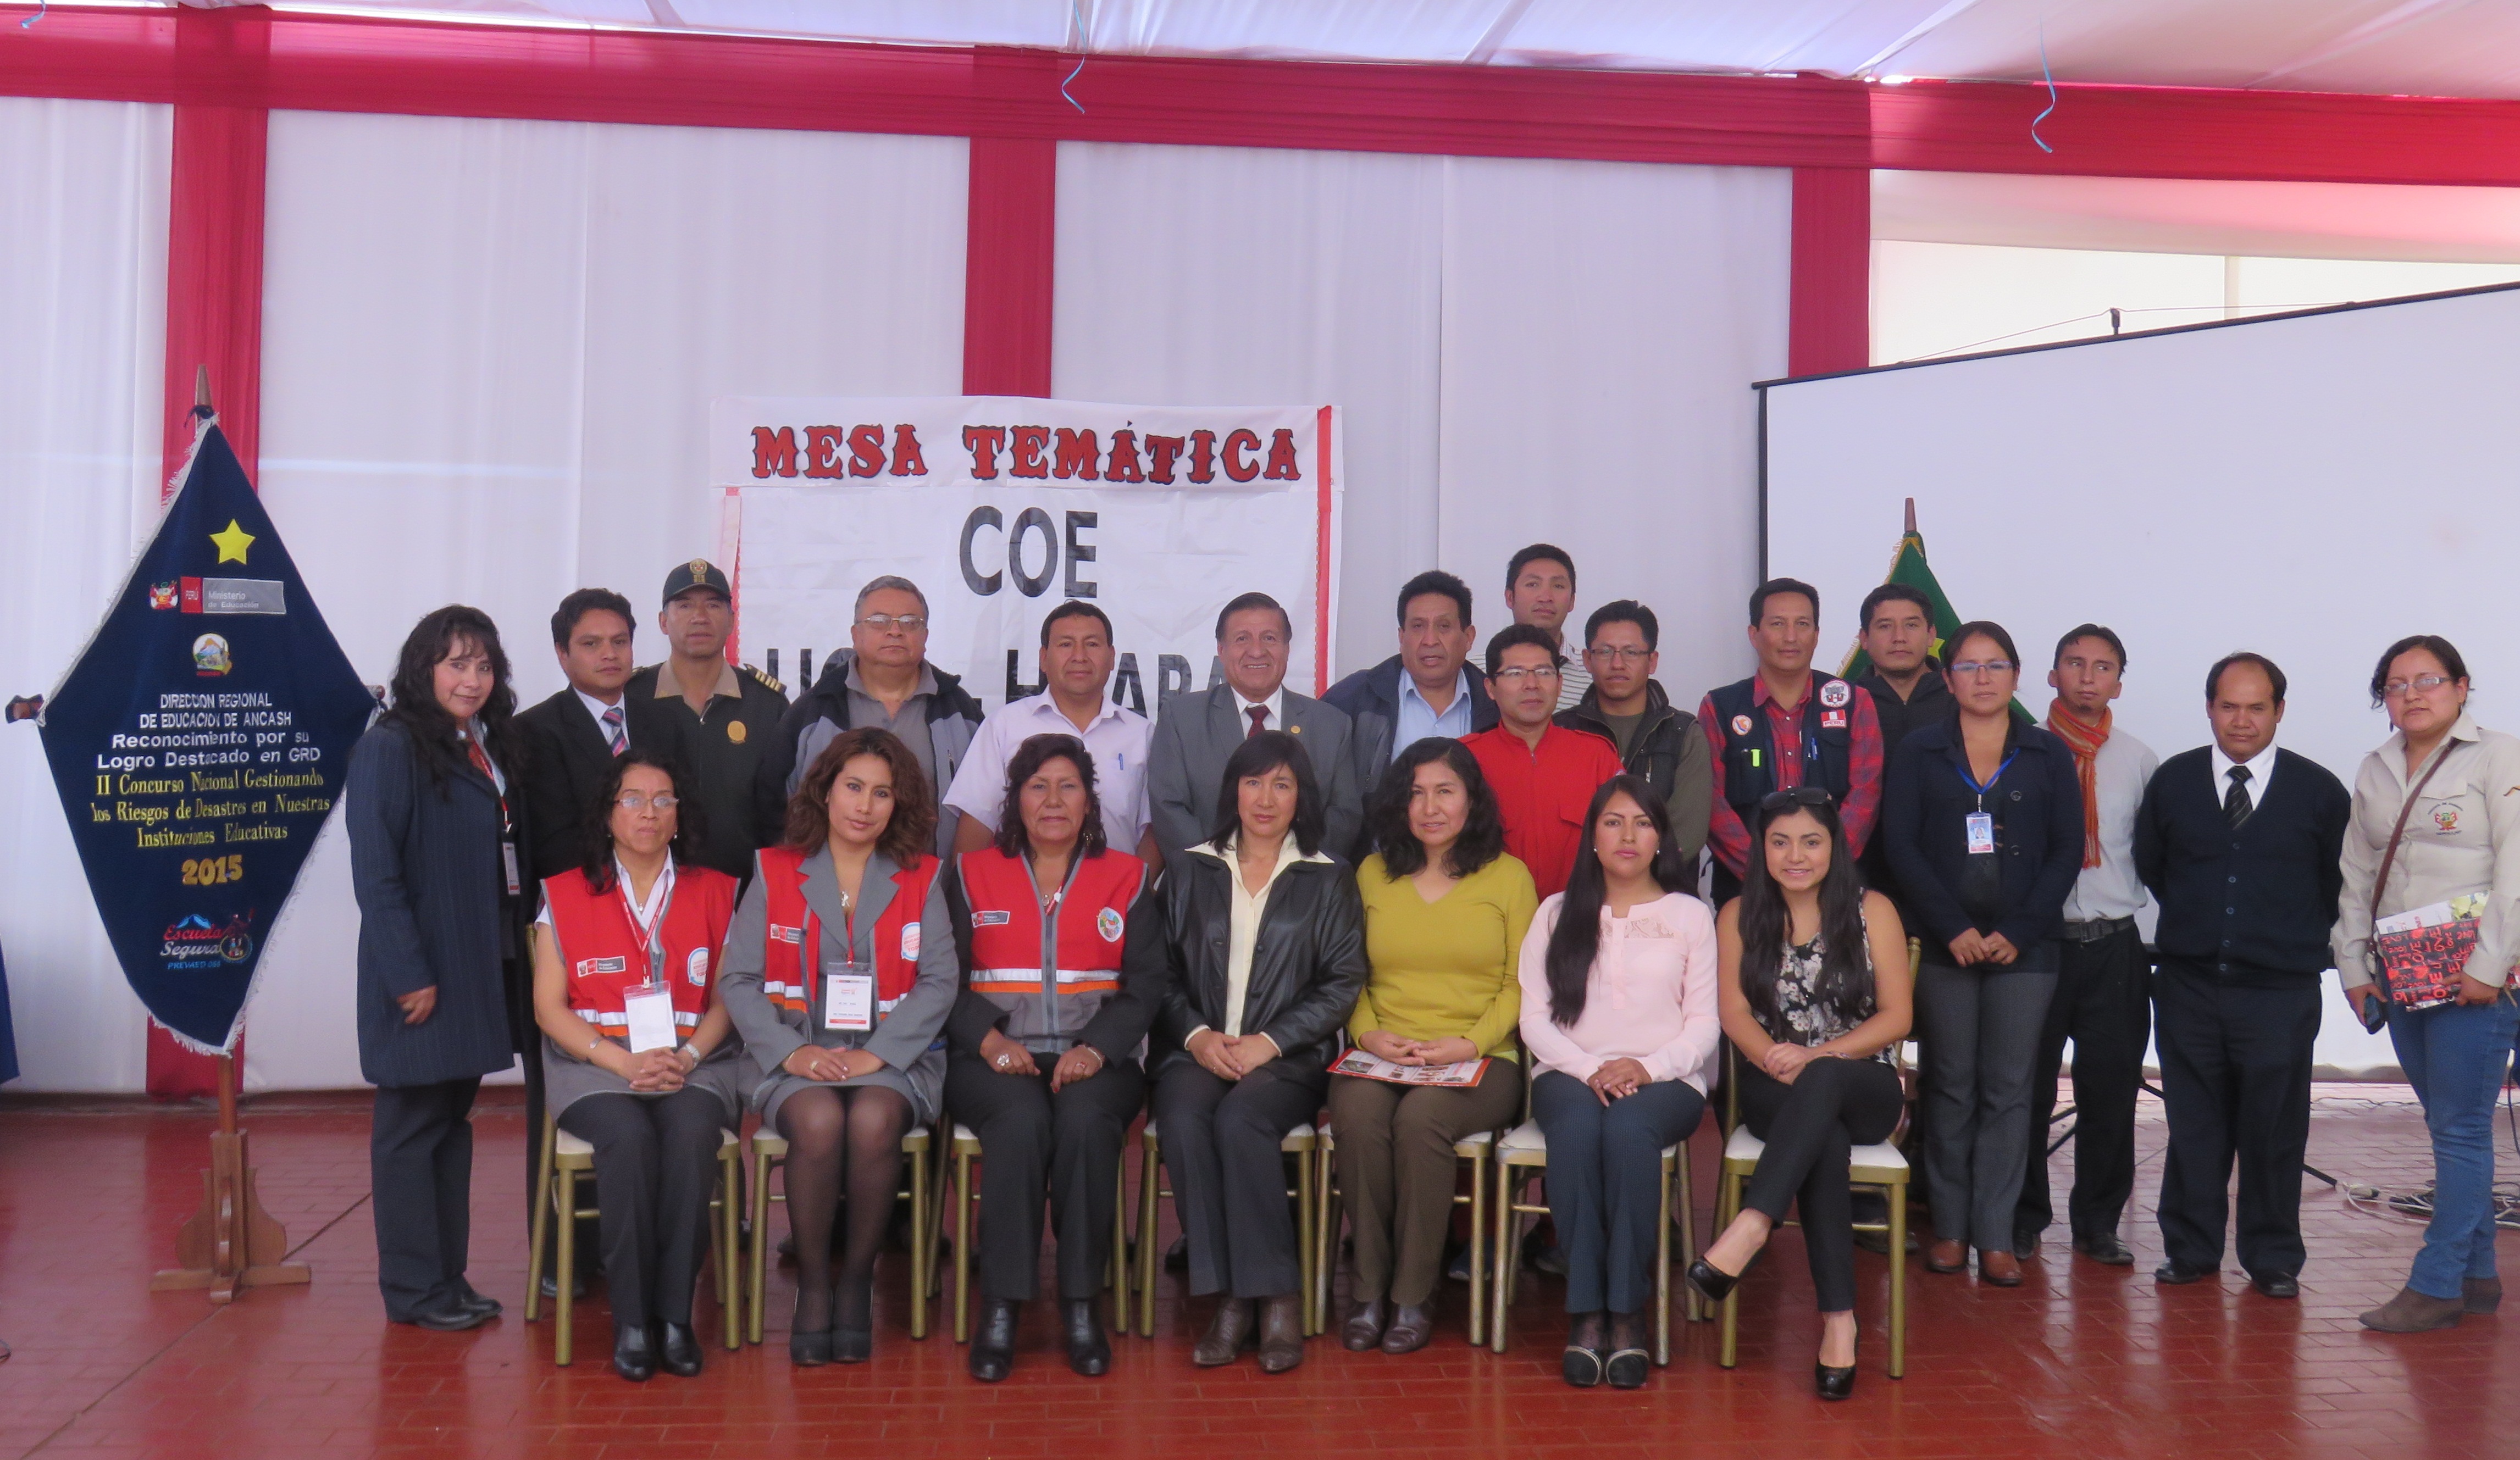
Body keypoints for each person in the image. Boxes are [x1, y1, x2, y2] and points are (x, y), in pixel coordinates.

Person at [719, 729, 960, 1365]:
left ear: (898, 804)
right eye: (853, 786)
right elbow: (736, 980)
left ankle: (857, 1279)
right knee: (822, 1118)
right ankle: (816, 1284)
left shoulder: (922, 877)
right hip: (796, 1056)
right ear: (825, 791)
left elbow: (941, 981)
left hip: (892, 1059)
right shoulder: (773, 870)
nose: (865, 804)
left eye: (883, 792)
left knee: (875, 1117)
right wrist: (792, 1054)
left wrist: (877, 1054)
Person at [529, 749, 752, 1381]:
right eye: (632, 798)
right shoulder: (565, 892)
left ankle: (674, 1314)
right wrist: (624, 1063)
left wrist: (684, 1056)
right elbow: (549, 1007)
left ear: (681, 815)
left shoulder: (716, 889)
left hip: (694, 1064)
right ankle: (632, 1318)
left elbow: (727, 999)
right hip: (596, 1065)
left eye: (663, 799)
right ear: (607, 813)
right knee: (627, 1138)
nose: (648, 812)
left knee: (688, 1136)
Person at [944, 734, 1161, 1381]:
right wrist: (988, 1040)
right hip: (990, 1057)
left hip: (1096, 1057)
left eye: (1068, 786)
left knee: (1085, 1125)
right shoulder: (968, 872)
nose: (1053, 800)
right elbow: (937, 978)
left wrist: (1097, 1049)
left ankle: (1080, 1303)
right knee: (1020, 1124)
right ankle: (1003, 1305)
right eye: (1038, 786)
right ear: (1015, 799)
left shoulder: (1127, 875)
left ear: (1090, 800)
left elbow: (1148, 984)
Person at [1151, 730, 1369, 1374]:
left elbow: (1342, 980)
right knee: (1189, 1120)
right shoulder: (1189, 866)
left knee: (1242, 1118)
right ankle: (1231, 1298)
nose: (1265, 798)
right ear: (1232, 791)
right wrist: (1198, 1036)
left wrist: (1268, 1042)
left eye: (1282, 783)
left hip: (1287, 1057)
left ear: (1302, 796)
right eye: (1252, 782)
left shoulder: (1329, 876)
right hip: (1194, 1049)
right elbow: (1155, 974)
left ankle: (1275, 1296)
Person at [2135, 652, 2349, 1299]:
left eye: (2257, 707)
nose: (2242, 719)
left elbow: (2337, 882)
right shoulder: (2173, 781)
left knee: (2273, 1128)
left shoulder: (2318, 791)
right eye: (2229, 705)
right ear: (2208, 708)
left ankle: (2272, 1256)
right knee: (2194, 1125)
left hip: (2279, 992)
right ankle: (2191, 1249)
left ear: (2279, 711)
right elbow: (2154, 865)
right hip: (2188, 985)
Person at [347, 606, 536, 1331]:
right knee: (409, 1131)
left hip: (474, 966)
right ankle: (412, 1290)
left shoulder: (482, 743)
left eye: (484, 664)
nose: (473, 678)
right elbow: (377, 874)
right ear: (424, 668)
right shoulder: (391, 746)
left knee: (450, 1124)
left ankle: (446, 1280)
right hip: (421, 975)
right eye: (457, 662)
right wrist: (407, 974)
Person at [1693, 789, 1913, 1400]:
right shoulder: (1738, 914)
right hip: (1774, 1083)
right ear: (1761, 849)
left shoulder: (1874, 910)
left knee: (1827, 1093)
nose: (1796, 854)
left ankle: (1753, 1223)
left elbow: (1897, 1016)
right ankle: (1839, 1323)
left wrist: (1816, 1058)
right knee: (1824, 1137)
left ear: (1834, 847)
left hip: (1863, 1082)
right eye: (1780, 841)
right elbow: (1732, 1010)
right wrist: (1770, 1055)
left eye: (1811, 841)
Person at [1882, 621, 2083, 1287]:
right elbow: (1900, 846)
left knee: (2008, 1089)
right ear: (1949, 679)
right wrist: (1950, 927)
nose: (1983, 677)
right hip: (1946, 948)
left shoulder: (2046, 753)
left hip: (2026, 949)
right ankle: (1949, 1226)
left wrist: (2020, 929)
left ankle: (1995, 1234)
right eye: (1968, 667)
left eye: (1996, 665)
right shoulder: (1918, 750)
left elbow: (2064, 852)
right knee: (1950, 1085)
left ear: (2017, 675)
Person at [2334, 636, 2520, 1333]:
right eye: (2395, 683)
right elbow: (2355, 874)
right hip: (2402, 973)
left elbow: (2516, 871)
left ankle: (2436, 1281)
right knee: (2449, 1125)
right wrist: (2353, 965)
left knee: (2462, 1128)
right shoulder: (2375, 767)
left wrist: (2490, 965)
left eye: (2429, 680)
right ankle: (2476, 1278)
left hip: (2479, 979)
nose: (2412, 693)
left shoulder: (2500, 755)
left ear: (2462, 687)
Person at [1333, 739, 1535, 1354]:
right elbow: (1348, 973)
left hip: (1480, 1057)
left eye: (1445, 790)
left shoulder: (1508, 876)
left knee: (1421, 1120)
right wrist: (1367, 1032)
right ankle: (1368, 1289)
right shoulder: (1371, 873)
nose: (1429, 806)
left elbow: (1520, 984)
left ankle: (1412, 1294)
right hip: (1381, 1050)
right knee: (1359, 1114)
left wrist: (1468, 1042)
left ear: (1471, 800)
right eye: (1415, 792)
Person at [1518, 775, 1716, 1390]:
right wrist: (1588, 1068)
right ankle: (1585, 1312)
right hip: (1568, 1070)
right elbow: (1533, 1016)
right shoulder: (1555, 911)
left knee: (1630, 1131)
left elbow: (1705, 1019)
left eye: (1641, 823)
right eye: (1612, 821)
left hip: (1667, 1074)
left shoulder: (1689, 914)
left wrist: (1647, 1067)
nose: (1627, 835)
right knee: (1576, 1130)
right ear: (1592, 836)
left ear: (1661, 837)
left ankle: (1626, 1312)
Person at [2018, 626, 2159, 1265]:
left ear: (2119, 685)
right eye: (2073, 663)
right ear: (2051, 675)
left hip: (2114, 947)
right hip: (2038, 944)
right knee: (2026, 1088)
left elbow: (2153, 855)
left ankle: (2097, 1223)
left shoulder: (2138, 758)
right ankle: (2022, 1216)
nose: (2086, 676)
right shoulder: (2019, 750)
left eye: (2102, 667)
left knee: (2109, 1091)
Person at [756, 575, 983, 860]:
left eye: (910, 622)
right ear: (855, 634)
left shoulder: (961, 712)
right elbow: (773, 805)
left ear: (925, 635)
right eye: (879, 620)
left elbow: (984, 810)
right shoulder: (813, 710)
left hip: (931, 891)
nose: (895, 631)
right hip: (829, 894)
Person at [1701, 578, 1884, 908]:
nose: (1790, 637)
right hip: (1746, 892)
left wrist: (1825, 865)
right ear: (1754, 635)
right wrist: (1764, 869)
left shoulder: (1854, 702)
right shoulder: (1719, 707)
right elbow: (1710, 801)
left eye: (1803, 624)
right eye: (1777, 624)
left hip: (1836, 892)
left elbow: (1866, 793)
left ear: (1816, 634)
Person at [1146, 591, 1360, 870]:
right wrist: (1222, 874)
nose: (1257, 651)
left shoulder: (1331, 724)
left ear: (1287, 649)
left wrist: (1291, 873)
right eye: (1242, 639)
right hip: (1204, 890)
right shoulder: (1182, 718)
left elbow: (1343, 815)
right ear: (1222, 651)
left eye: (1270, 638)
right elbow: (1168, 808)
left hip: (1300, 893)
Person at [945, 601, 1158, 864]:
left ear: (1112, 657)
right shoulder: (1005, 725)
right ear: (1043, 658)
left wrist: (1134, 897)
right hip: (1020, 897)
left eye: (1092, 644)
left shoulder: (1143, 735)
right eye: (1065, 644)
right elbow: (977, 821)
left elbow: (1154, 831)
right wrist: (966, 895)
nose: (1079, 656)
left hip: (1114, 899)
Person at [623, 562, 789, 881]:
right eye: (685, 606)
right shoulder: (631, 698)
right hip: (648, 888)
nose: (700, 617)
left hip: (746, 890)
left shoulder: (767, 704)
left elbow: (784, 811)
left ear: (731, 620)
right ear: (662, 621)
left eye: (713, 605)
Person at [517, 588, 668, 885]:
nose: (609, 654)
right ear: (562, 653)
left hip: (662, 890)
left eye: (620, 642)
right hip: (583, 894)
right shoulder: (533, 731)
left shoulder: (665, 722)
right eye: (591, 644)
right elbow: (553, 842)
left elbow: (682, 816)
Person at [1464, 624, 1624, 900]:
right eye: (1515, 674)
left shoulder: (1596, 756)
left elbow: (1626, 840)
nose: (1532, 685)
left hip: (1580, 917)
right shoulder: (1463, 760)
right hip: (1489, 921)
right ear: (1490, 688)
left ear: (1560, 684)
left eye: (1544, 672)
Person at [1555, 600, 1711, 871]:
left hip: (1665, 896)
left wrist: (1629, 882)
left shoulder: (1683, 733)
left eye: (1631, 652)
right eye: (1605, 652)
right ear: (1587, 660)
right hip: (1581, 894)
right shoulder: (1561, 731)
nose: (1617, 663)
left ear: (1652, 661)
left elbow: (1687, 831)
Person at [1322, 569, 1498, 792]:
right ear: (1401, 637)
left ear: (1469, 637)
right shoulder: (1354, 698)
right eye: (1418, 627)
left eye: (1444, 626)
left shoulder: (1497, 703)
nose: (1430, 640)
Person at [1851, 585, 1951, 917]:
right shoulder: (1842, 703)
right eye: (1884, 626)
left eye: (1911, 625)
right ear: (1864, 639)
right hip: (1862, 880)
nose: (1899, 637)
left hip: (1948, 880)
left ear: (1931, 634)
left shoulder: (1962, 699)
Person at [1500, 544, 1589, 712]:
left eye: (1558, 586)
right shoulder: (1476, 671)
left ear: (1572, 601)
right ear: (1510, 597)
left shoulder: (1594, 674)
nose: (1546, 597)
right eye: (1533, 584)